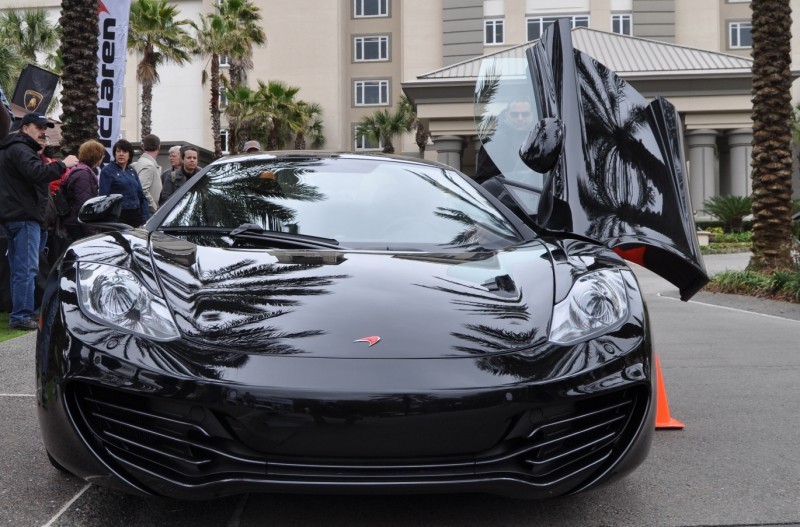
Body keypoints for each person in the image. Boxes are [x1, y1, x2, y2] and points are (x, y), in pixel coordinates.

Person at [0, 112, 78, 329]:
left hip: (17, 215)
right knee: (26, 268)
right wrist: (64, 165)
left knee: (20, 268)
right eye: (39, 127)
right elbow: (37, 172)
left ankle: (21, 313)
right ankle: (21, 316)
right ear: (25, 128)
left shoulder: (14, 148)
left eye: (45, 127)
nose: (44, 131)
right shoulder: (20, 149)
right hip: (24, 217)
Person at [475, 98, 535, 184]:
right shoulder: (493, 142)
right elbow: (483, 180)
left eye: (525, 114)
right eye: (515, 114)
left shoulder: (540, 139)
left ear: (532, 116)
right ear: (506, 115)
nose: (520, 118)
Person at [61, 140, 105, 242]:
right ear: (96, 156)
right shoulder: (83, 175)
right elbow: (84, 205)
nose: (102, 158)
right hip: (78, 225)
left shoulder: (81, 171)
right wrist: (91, 231)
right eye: (101, 155)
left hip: (75, 222)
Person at [99, 139, 149, 227]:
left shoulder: (132, 171)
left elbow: (141, 195)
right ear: (114, 154)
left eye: (124, 151)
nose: (121, 154)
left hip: (136, 215)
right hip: (118, 216)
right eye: (118, 151)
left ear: (129, 155)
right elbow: (103, 197)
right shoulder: (107, 171)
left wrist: (145, 216)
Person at [132, 134, 163, 215]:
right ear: (159, 147)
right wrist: (155, 209)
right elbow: (143, 190)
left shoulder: (142, 162)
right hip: (148, 213)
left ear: (143, 147)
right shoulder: (148, 165)